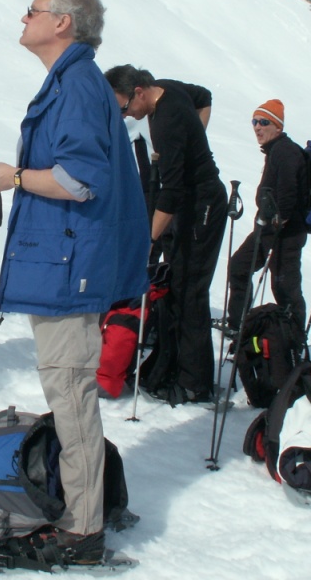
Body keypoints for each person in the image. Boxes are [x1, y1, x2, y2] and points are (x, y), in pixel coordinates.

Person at [0, 0, 148, 567]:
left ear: (63, 22)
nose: (23, 18)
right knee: (69, 391)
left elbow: (79, 180)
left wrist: (12, 177)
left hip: (69, 268)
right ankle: (85, 509)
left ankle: (82, 530)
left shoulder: (75, 85)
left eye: (33, 10)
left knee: (71, 393)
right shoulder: (73, 81)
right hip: (64, 262)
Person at [103, 64, 226, 404]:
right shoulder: (167, 87)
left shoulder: (167, 123)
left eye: (124, 107)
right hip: (190, 203)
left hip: (202, 203)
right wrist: (195, 142)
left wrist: (149, 241)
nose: (126, 115)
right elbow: (204, 97)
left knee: (190, 290)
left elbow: (170, 194)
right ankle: (174, 367)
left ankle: (195, 383)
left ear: (139, 92)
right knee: (177, 284)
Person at [226, 99, 309, 336]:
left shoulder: (285, 151)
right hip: (272, 230)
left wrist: (278, 220)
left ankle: (294, 338)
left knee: (284, 285)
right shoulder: (277, 151)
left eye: (264, 122)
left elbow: (288, 192)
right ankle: (239, 325)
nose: (257, 127)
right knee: (244, 268)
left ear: (278, 127)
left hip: (283, 233)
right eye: (254, 122)